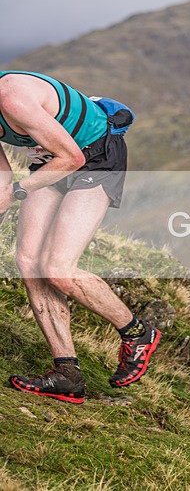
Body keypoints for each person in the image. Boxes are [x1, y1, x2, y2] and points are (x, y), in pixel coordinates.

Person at [0, 71, 160, 404]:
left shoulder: (11, 96)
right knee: (28, 261)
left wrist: (17, 191)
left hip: (95, 155)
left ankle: (137, 333)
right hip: (51, 159)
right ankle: (67, 375)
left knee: (58, 268)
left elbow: (73, 158)